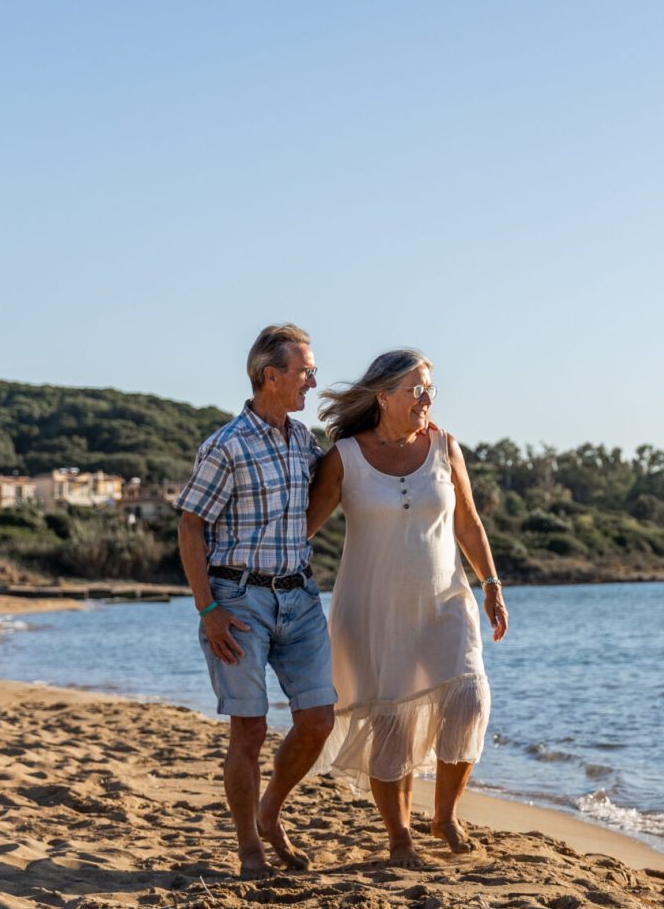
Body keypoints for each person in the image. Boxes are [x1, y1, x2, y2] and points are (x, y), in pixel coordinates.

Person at [307, 348, 507, 868]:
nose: (426, 399)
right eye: (416, 389)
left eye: (429, 390)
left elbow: (468, 522)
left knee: (469, 700)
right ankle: (399, 838)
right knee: (390, 720)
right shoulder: (344, 458)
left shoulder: (445, 446)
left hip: (445, 600)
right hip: (373, 608)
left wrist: (491, 583)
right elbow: (302, 531)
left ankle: (444, 815)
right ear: (384, 396)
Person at [175, 323, 334, 879]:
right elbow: (190, 527)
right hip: (237, 602)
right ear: (272, 376)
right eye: (305, 371)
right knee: (250, 728)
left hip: (301, 596)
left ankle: (271, 812)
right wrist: (207, 609)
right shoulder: (226, 446)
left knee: (318, 720)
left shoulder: (302, 441)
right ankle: (249, 849)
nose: (312, 381)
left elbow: (327, 493)